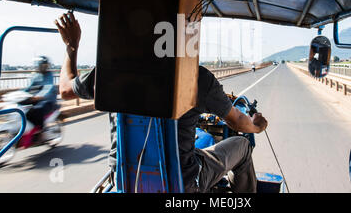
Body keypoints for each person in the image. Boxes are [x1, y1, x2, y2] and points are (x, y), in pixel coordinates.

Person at [55, 12, 268, 193]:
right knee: (241, 145)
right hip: (184, 186)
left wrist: (71, 45)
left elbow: (65, 89)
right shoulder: (196, 78)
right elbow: (238, 121)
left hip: (124, 181)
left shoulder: (108, 72)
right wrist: (257, 125)